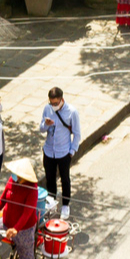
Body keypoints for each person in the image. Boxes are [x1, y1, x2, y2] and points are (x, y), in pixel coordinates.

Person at [41, 86, 81, 219]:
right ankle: (51, 202)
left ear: (62, 100)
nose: (53, 106)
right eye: (51, 103)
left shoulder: (72, 112)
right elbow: (41, 128)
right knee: (50, 178)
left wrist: (72, 151)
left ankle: (65, 204)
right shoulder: (47, 109)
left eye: (56, 103)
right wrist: (46, 124)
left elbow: (77, 134)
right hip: (49, 151)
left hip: (63, 152)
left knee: (65, 179)